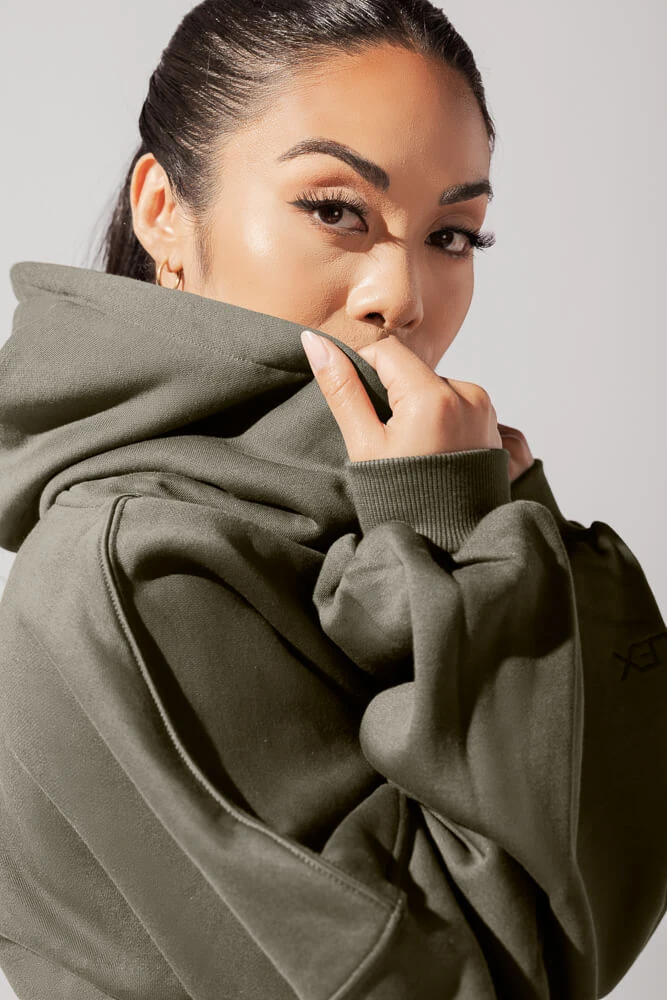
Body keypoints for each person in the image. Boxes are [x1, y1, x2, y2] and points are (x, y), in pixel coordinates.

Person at [0, 1, 665, 998]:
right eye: (336, 210)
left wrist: (467, 539)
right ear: (163, 211)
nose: (403, 295)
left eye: (451, 233)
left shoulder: (351, 511)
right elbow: (478, 977)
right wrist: (456, 552)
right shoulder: (140, 567)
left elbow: (578, 899)